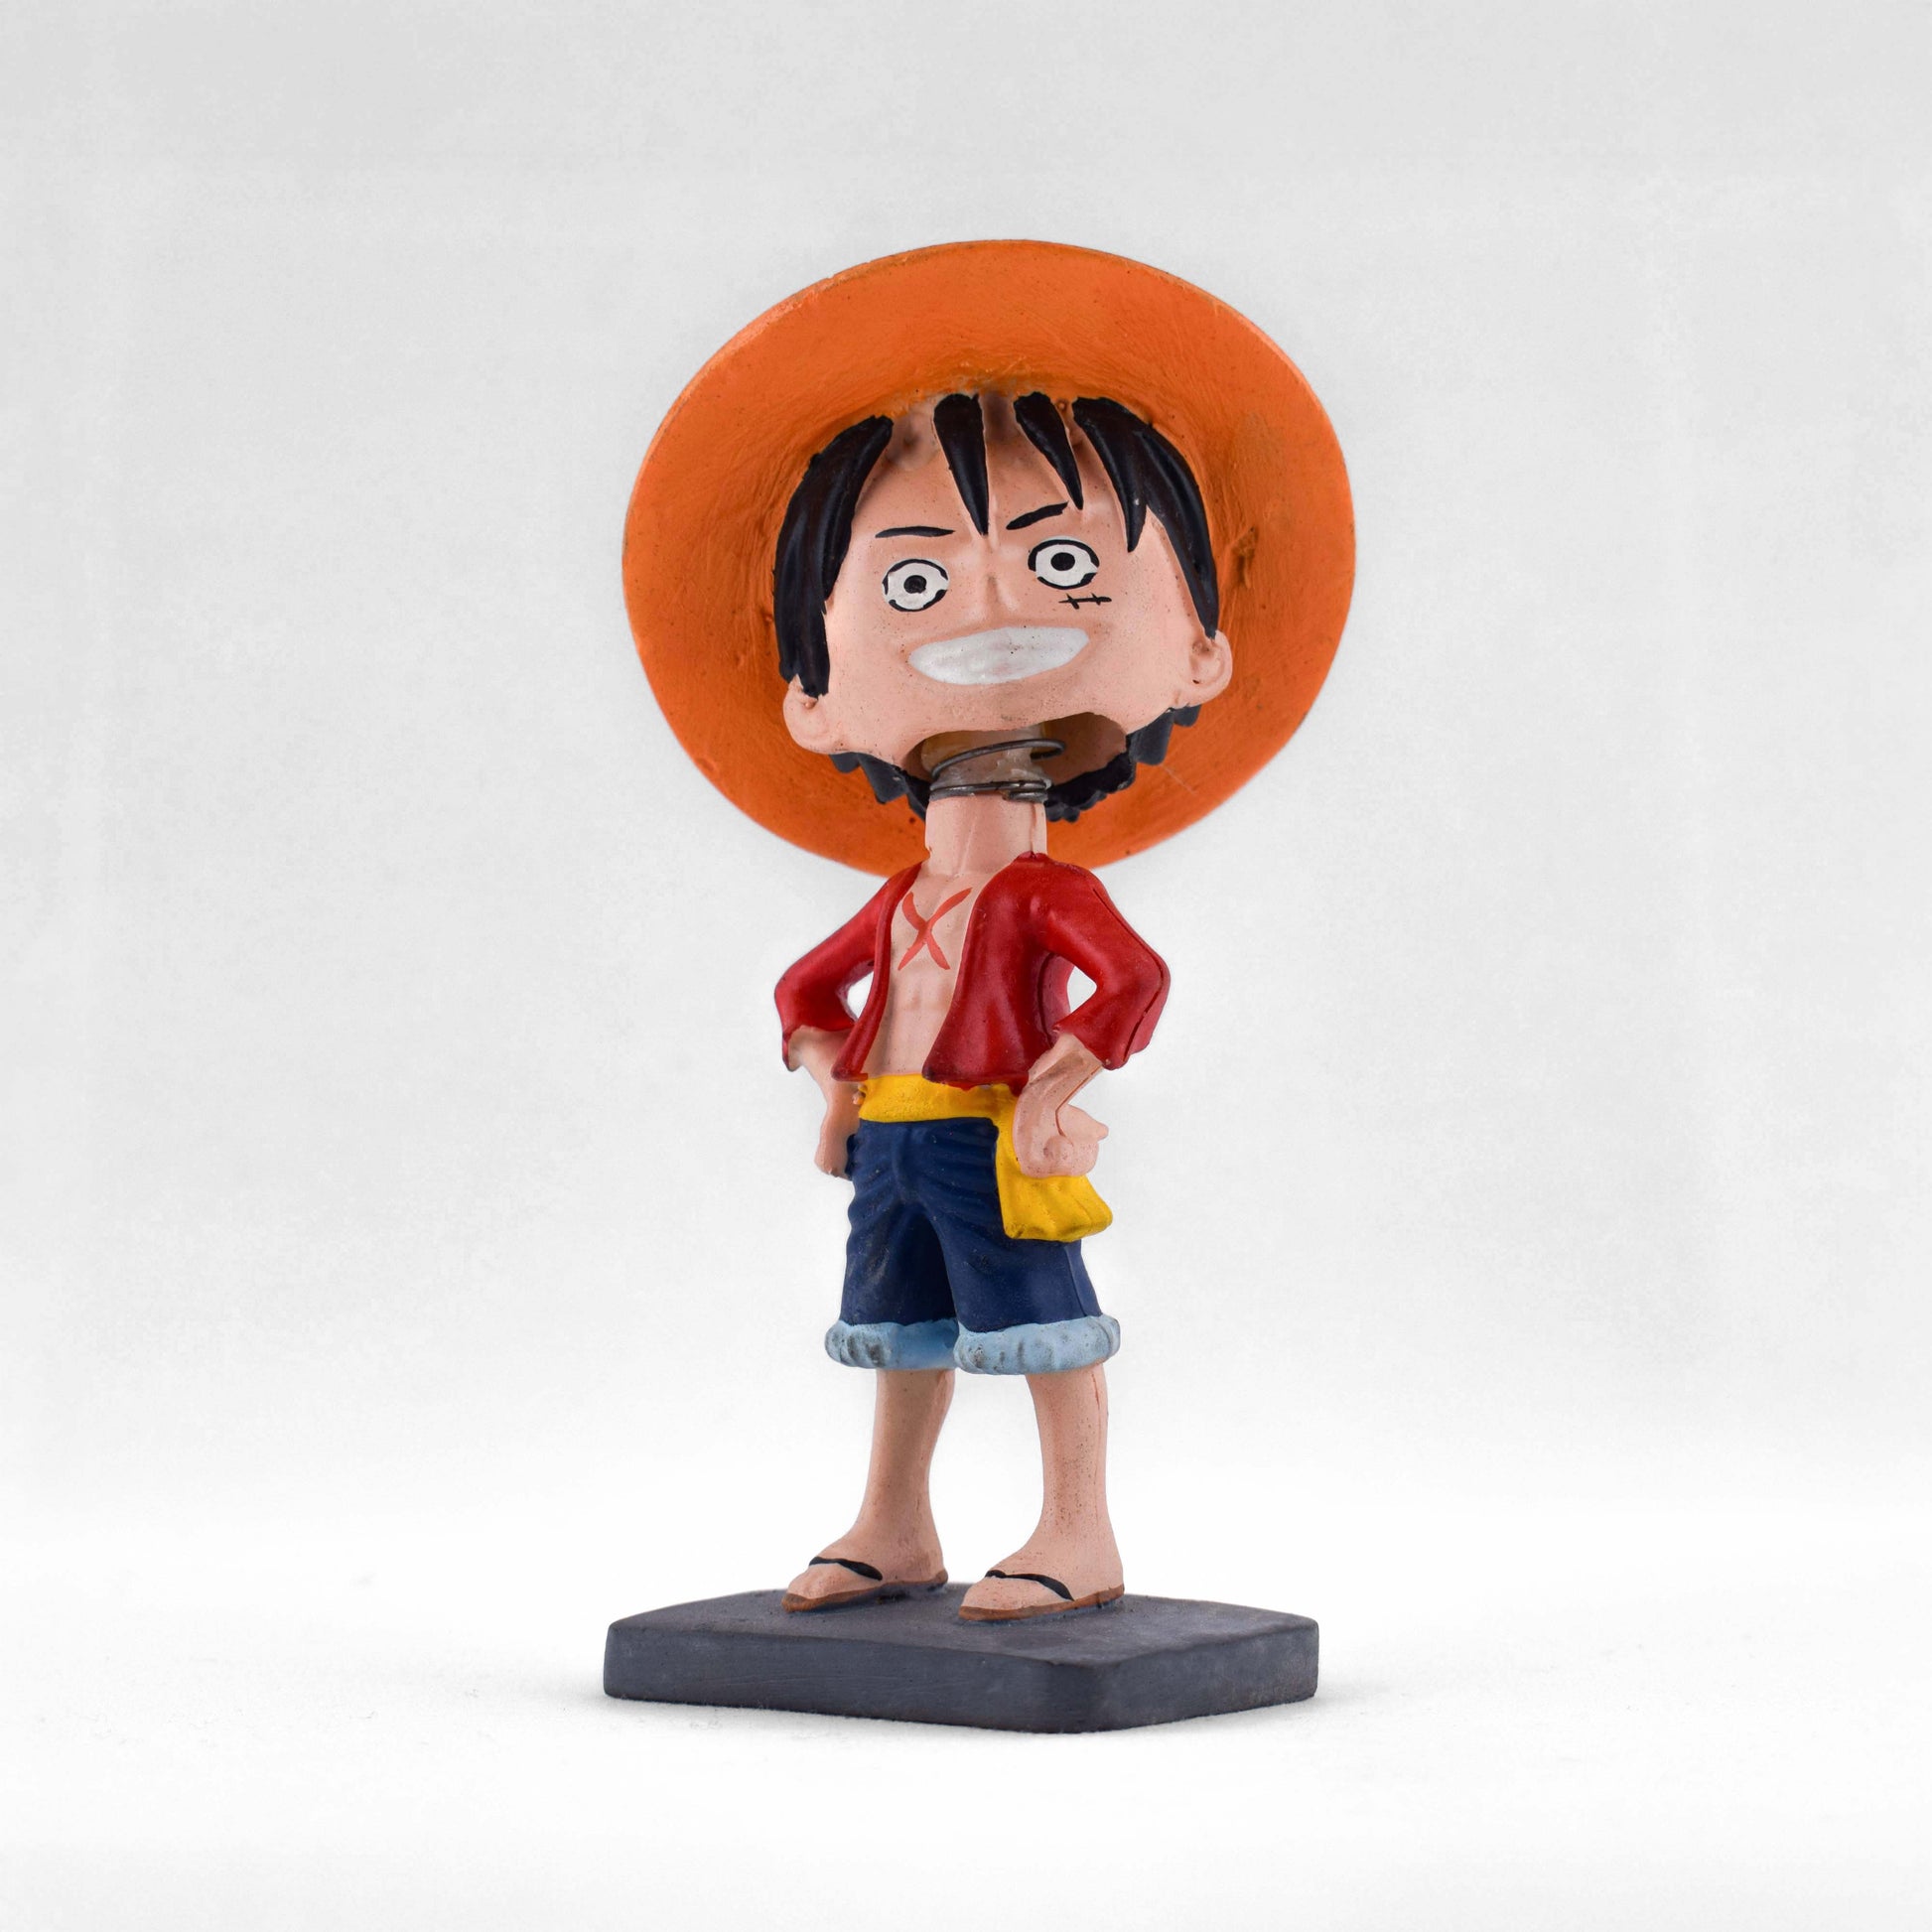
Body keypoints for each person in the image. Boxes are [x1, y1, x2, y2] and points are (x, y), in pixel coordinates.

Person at [770, 390, 1231, 1620]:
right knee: (897, 1326)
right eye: (916, 582)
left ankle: (1078, 1528)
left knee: (1043, 1322)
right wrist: (832, 1085)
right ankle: (893, 1522)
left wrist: (1049, 1087)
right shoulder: (899, 895)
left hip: (986, 1133)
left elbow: (1133, 978)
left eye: (1060, 563)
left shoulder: (1042, 888)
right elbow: (804, 988)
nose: (985, 612)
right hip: (892, 1137)